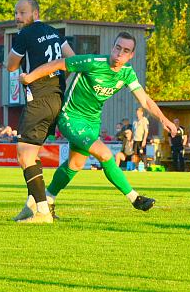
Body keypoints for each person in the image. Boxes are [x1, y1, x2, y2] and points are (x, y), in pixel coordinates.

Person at [21, 31, 177, 218]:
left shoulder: (127, 74)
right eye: (117, 48)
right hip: (71, 117)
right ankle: (135, 198)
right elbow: (59, 63)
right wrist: (30, 78)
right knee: (105, 154)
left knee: (75, 164)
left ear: (131, 55)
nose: (120, 53)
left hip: (92, 122)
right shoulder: (93, 62)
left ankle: (48, 200)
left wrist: (164, 120)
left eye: (125, 50)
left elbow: (145, 101)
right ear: (113, 47)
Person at [6, 0, 75, 223]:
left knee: (24, 155)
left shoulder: (24, 34)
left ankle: (44, 212)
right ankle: (30, 205)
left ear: (35, 14)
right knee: (32, 155)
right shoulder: (54, 32)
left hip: (38, 99)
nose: (17, 17)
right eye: (16, 13)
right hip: (56, 98)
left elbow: (11, 65)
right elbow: (72, 60)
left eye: (22, 13)